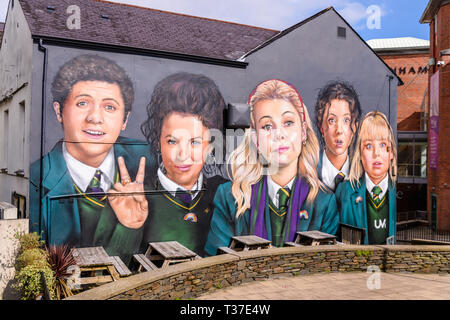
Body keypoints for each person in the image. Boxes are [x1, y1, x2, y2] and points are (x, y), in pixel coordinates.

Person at [29, 55, 154, 260]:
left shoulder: (152, 160)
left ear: (125, 119)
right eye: (82, 103)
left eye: (109, 107)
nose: (95, 117)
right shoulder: (36, 180)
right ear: (59, 111)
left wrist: (130, 227)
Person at [204, 79, 339, 256]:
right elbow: (214, 264)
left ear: (303, 132)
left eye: (288, 122)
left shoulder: (324, 203)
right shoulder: (229, 197)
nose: (279, 134)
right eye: (267, 126)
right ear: (255, 139)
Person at [137, 72, 227, 257]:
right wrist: (127, 227)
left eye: (194, 142)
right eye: (172, 141)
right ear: (159, 143)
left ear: (210, 146)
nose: (182, 155)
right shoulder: (137, 196)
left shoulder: (223, 192)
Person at [335, 111, 397, 244]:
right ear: (360, 154)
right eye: (368, 146)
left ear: (391, 152)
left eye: (382, 145)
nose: (376, 154)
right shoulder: (344, 191)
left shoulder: (395, 191)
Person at [314, 81, 361, 192]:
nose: (339, 130)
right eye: (331, 120)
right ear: (321, 127)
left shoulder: (363, 174)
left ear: (355, 127)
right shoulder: (307, 172)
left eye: (346, 120)